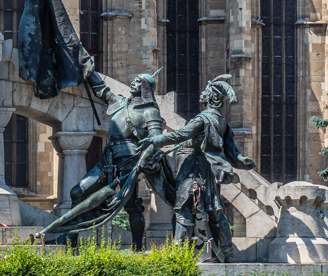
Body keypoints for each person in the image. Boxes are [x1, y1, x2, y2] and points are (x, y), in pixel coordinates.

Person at [139, 75, 256, 263]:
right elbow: (231, 149)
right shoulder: (221, 121)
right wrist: (242, 160)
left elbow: (181, 134)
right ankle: (228, 253)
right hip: (206, 170)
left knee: (183, 209)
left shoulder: (203, 119)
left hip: (192, 170)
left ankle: (177, 255)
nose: (202, 94)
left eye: (206, 92)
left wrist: (157, 139)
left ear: (212, 98)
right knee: (215, 211)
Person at [68, 71, 175, 251]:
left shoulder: (150, 112)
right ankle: (71, 244)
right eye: (134, 80)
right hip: (109, 161)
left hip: (129, 162)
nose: (133, 83)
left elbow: (156, 140)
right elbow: (101, 90)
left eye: (138, 82)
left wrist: (142, 158)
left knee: (131, 205)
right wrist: (88, 70)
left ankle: (137, 247)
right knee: (77, 192)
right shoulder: (120, 103)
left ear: (146, 88)